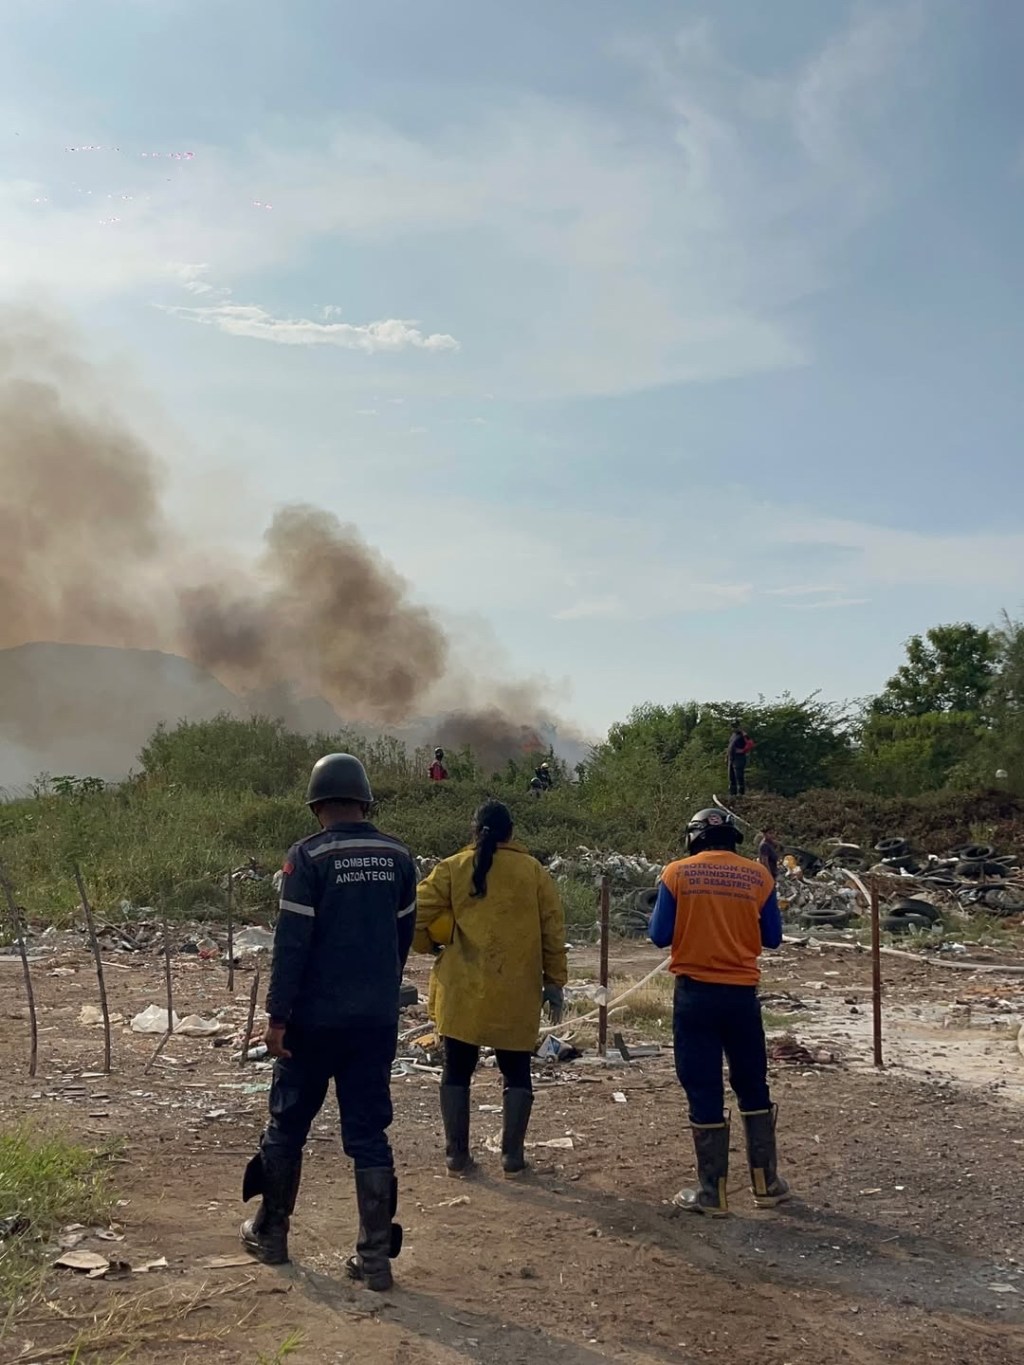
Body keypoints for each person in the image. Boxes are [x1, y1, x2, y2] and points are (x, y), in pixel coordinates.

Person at [239, 753, 417, 1291]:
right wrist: (379, 991)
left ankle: (270, 1234)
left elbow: (291, 947)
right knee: (368, 1133)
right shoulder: (399, 856)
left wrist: (277, 1018)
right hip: (374, 1022)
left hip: (312, 1024)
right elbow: (401, 940)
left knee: (287, 1126)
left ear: (317, 806)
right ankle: (375, 1258)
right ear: (364, 801)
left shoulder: (307, 857)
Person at [414, 800, 567, 1179]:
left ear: (474, 830)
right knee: (516, 1072)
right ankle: (513, 1159)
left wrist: (428, 945)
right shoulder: (533, 871)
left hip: (460, 991)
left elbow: (411, 913)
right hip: (516, 993)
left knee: (456, 1071)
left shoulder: (451, 868)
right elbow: (553, 929)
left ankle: (457, 1158)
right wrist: (555, 982)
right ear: (511, 832)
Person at [648, 807, 789, 1217]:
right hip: (742, 996)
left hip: (695, 997)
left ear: (694, 838)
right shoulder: (759, 876)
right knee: (752, 1084)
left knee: (703, 1086)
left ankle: (713, 1193)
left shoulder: (676, 874)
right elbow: (774, 937)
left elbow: (659, 936)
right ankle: (767, 1185)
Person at [727, 726, 754, 797]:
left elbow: (750, 743)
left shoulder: (743, 735)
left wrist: (743, 750)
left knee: (739, 776)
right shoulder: (733, 735)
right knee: (731, 777)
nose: (734, 728)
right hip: (731, 758)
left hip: (739, 758)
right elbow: (730, 747)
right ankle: (732, 794)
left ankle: (740, 794)